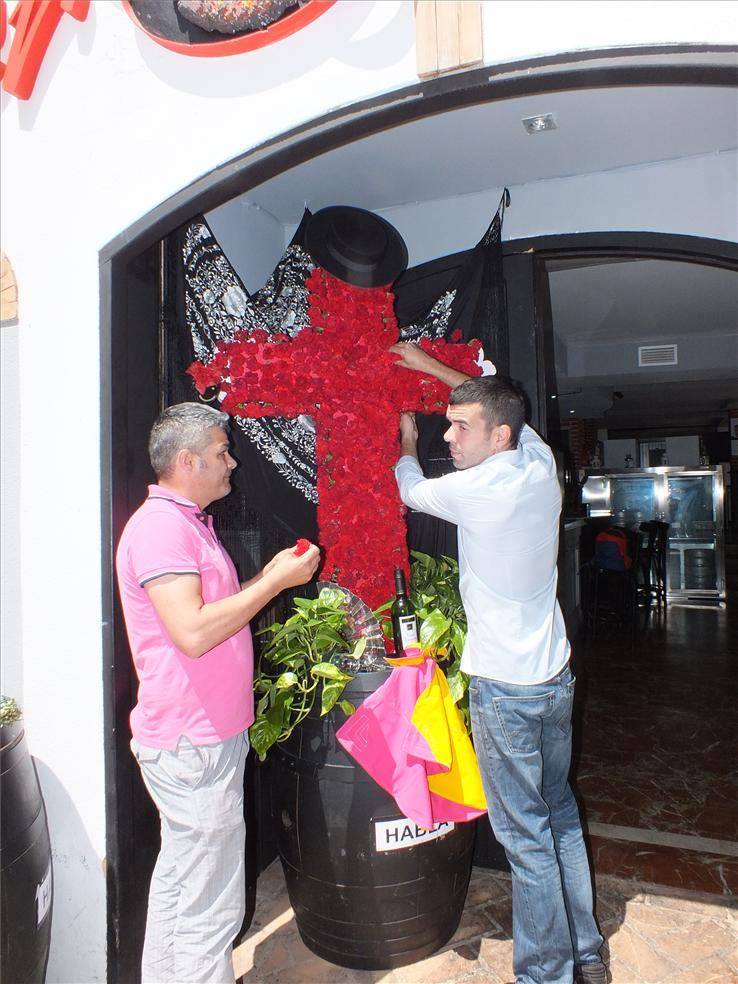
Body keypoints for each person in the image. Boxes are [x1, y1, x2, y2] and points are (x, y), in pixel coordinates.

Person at [389, 343, 606, 984]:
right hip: (554, 678)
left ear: (499, 434)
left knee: (527, 839)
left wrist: (406, 440)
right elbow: (488, 392)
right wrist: (434, 371)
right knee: (560, 813)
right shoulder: (539, 461)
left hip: (507, 691)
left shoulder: (478, 489)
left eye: (461, 428)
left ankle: (546, 974)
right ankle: (585, 952)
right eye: (444, 425)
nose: (447, 436)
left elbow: (410, 489)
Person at [115, 402, 320, 984]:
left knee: (183, 887)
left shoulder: (185, 523)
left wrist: (268, 576)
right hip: (192, 741)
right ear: (186, 460)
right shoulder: (161, 529)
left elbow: (212, 616)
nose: (232, 462)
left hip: (201, 737)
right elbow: (195, 631)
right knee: (210, 908)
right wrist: (275, 583)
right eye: (220, 451)